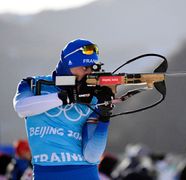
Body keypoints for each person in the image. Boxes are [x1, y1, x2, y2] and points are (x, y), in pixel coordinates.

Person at [13, 39, 114, 179]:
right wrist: (64, 98)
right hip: (46, 173)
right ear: (68, 65)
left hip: (85, 173)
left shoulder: (93, 95)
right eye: (84, 68)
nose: (88, 73)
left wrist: (104, 116)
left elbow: (92, 156)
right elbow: (21, 108)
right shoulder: (34, 84)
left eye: (92, 67)